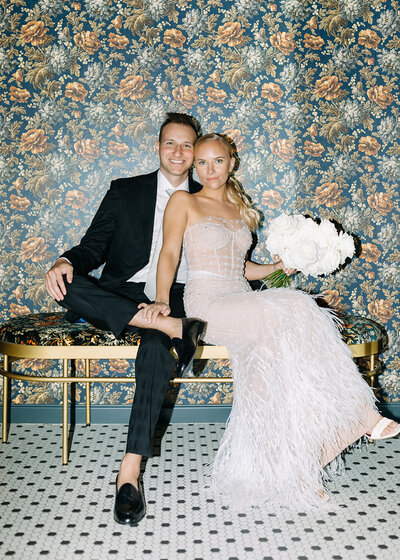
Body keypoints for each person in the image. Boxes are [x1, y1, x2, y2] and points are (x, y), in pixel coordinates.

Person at [140, 132, 400, 509]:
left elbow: (240, 267)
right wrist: (163, 300)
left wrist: (277, 266)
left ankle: (294, 468)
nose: (209, 169)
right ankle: (359, 415)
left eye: (217, 161)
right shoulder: (184, 201)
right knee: (300, 307)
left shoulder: (236, 206)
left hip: (241, 299)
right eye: (202, 162)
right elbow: (168, 254)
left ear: (232, 162)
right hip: (208, 302)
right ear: (194, 166)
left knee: (269, 371)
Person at [44, 113, 206, 525]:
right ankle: (169, 328)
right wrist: (65, 260)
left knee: (156, 349)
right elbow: (93, 247)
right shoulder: (125, 191)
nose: (178, 152)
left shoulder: (209, 194)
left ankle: (129, 473)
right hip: (123, 292)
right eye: (171, 143)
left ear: (195, 151)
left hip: (178, 295)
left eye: (187, 145)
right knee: (71, 285)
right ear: (158, 146)